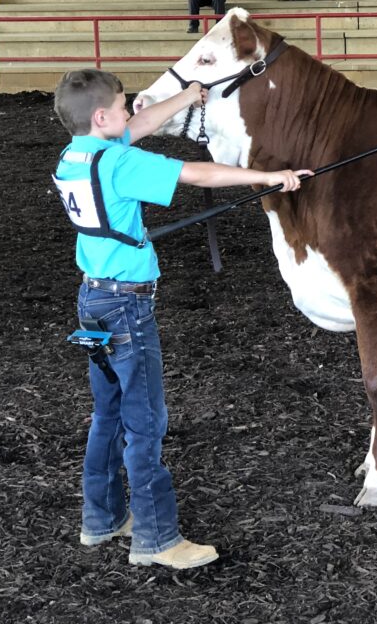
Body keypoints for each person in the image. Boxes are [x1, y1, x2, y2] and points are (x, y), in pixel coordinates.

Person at [52, 68, 311, 570]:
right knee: (145, 424)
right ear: (102, 116)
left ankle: (100, 519)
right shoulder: (120, 162)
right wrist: (269, 178)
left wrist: (186, 96)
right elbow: (196, 173)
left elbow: (142, 123)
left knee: (107, 414)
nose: (131, 111)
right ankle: (156, 539)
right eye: (123, 105)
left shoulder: (76, 154)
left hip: (93, 301)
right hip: (128, 306)